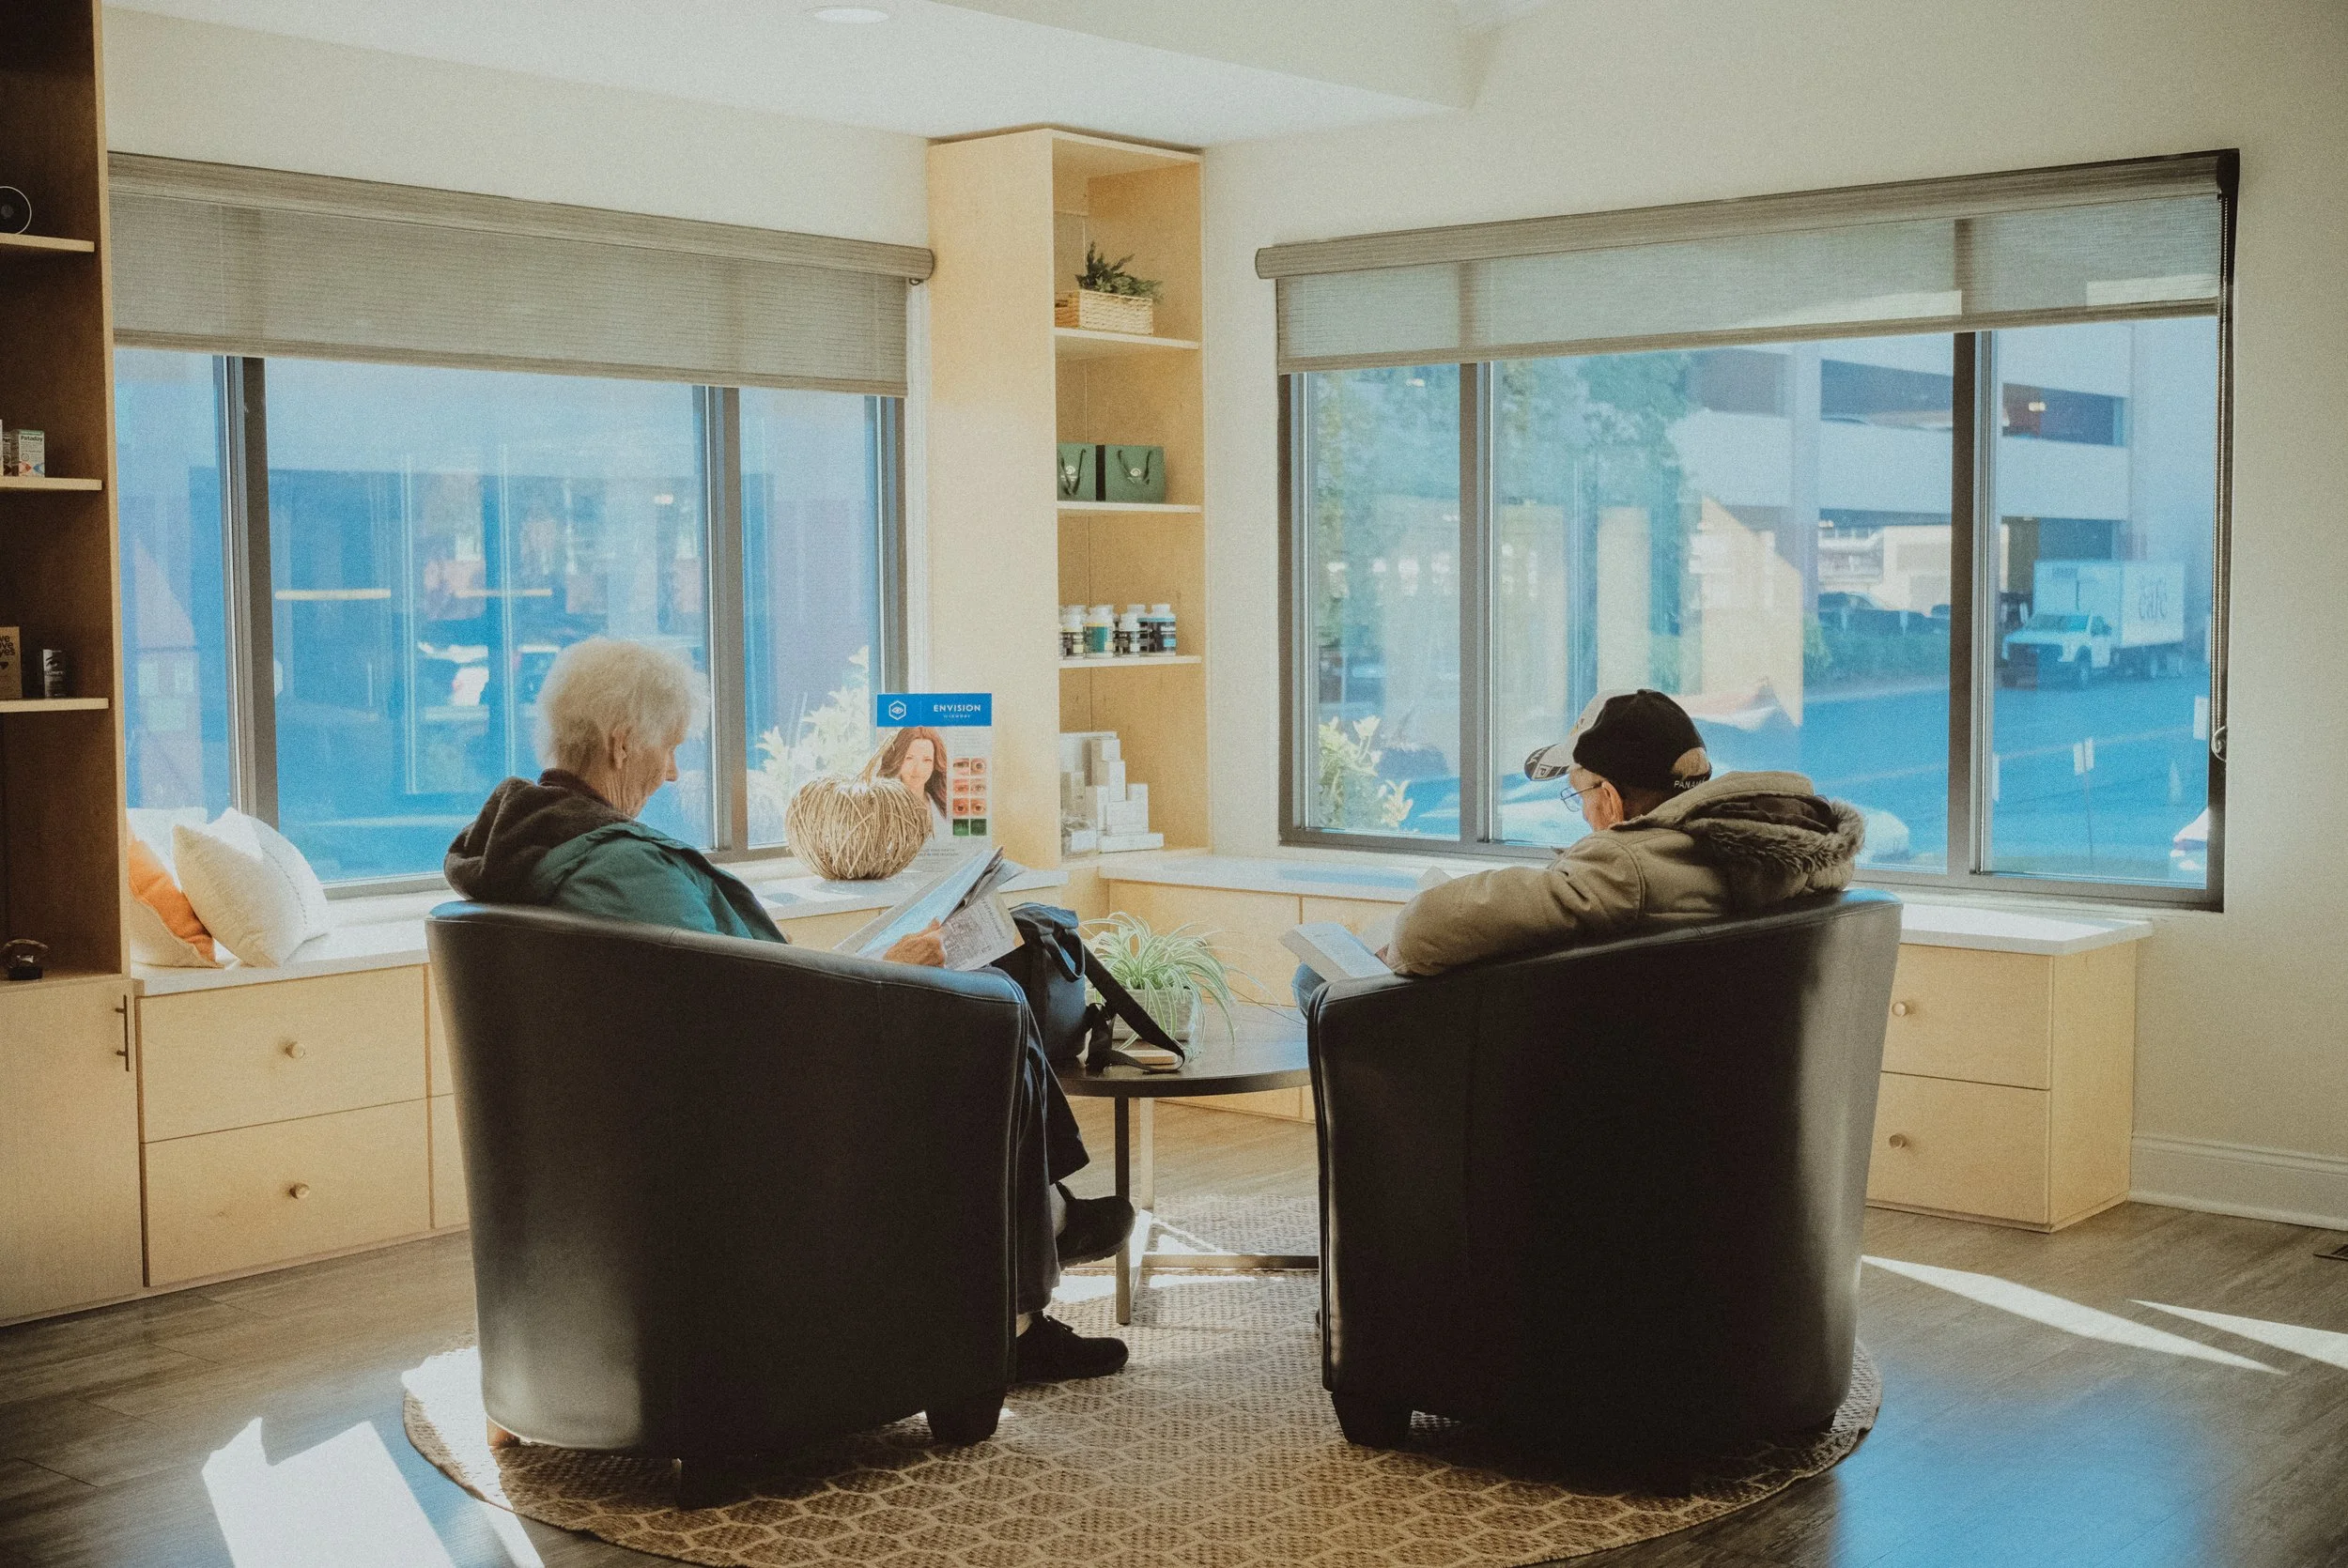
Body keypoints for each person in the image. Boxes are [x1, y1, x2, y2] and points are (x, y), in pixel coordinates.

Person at [445, 638, 1131, 1381]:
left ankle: (1051, 1226)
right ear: (620, 744)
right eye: (670, 749)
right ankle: (1031, 1286)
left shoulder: (533, 851)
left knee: (976, 1010)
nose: (675, 771)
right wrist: (881, 970)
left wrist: (856, 968)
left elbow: (722, 989)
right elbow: (741, 1014)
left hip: (660, 1105)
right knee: (990, 1016)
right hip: (749, 1115)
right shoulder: (621, 868)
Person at [1297, 689, 1862, 1003]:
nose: (1584, 813)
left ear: (1611, 799)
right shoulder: (1794, 854)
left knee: (1314, 981)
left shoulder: (1627, 866)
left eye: (1579, 794)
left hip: (1574, 1077)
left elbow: (1425, 932)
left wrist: (1399, 939)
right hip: (1702, 1082)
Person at [880, 726, 954, 840]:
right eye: (909, 758)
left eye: (927, 760)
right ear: (898, 760)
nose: (918, 769)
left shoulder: (945, 807)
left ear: (935, 764)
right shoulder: (883, 806)